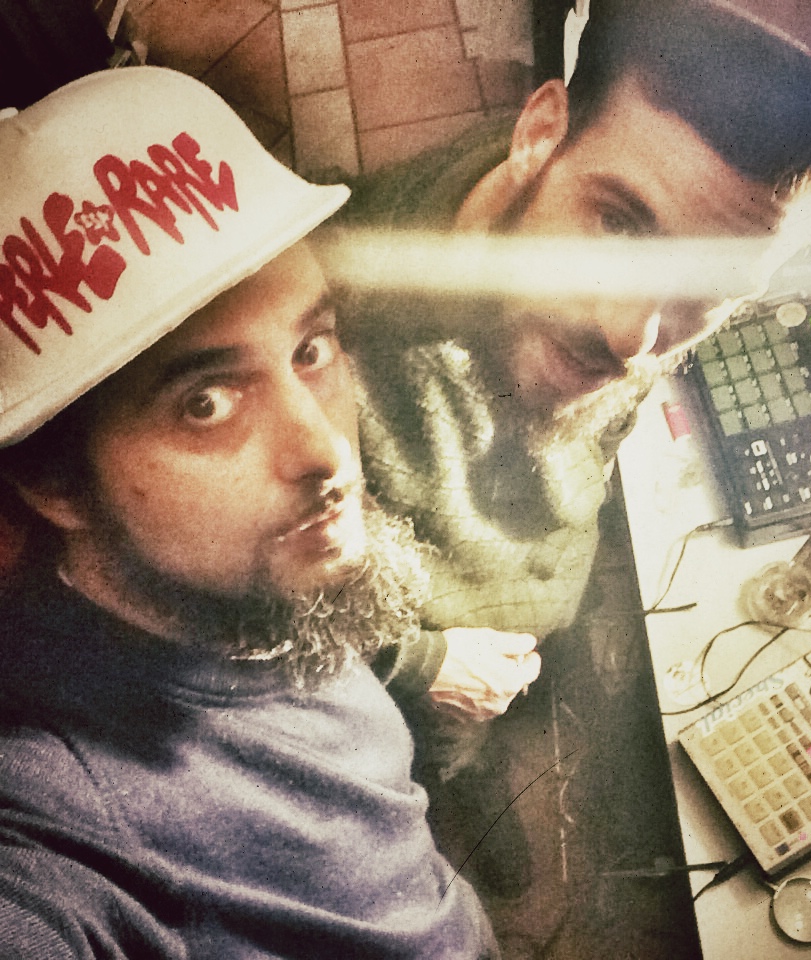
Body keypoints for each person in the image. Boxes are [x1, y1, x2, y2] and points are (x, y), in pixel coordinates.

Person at [334, 0, 811, 899]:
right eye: (619, 224)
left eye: (708, 285)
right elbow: (228, 626)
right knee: (427, 754)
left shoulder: (612, 282)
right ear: (540, 132)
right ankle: (450, 785)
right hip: (413, 661)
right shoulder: (314, 342)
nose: (632, 337)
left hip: (527, 594)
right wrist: (423, 668)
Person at [0, 66, 500, 959]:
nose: (325, 451)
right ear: (57, 485)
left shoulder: (241, 580)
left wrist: (418, 660)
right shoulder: (57, 831)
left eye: (311, 349)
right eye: (206, 403)